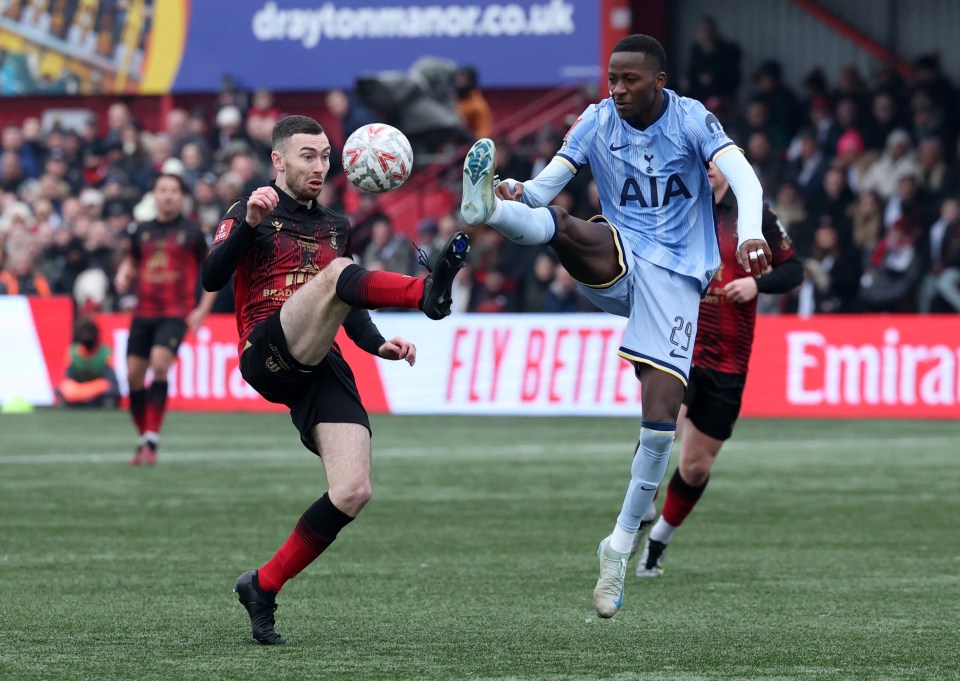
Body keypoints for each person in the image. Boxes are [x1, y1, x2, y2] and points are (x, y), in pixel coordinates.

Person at [459, 34, 771, 619]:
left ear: (658, 79)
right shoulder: (595, 123)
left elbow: (746, 180)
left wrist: (750, 230)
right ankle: (487, 211)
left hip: (679, 283)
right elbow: (547, 186)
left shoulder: (692, 121)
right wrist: (516, 192)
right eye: (612, 79)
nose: (618, 89)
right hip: (622, 254)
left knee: (659, 427)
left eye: (629, 80)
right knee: (568, 226)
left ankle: (620, 544)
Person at [200, 114, 469, 645]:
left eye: (325, 156)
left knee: (353, 490)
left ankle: (262, 585)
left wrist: (379, 346)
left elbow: (344, 302)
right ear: (278, 160)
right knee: (336, 272)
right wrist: (251, 222)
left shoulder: (335, 226)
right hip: (266, 351)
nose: (319, 165)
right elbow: (211, 278)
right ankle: (426, 294)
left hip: (319, 360)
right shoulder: (248, 211)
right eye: (308, 155)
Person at [632, 162, 802, 577]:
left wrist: (756, 284)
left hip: (729, 358)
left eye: (714, 161)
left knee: (695, 467)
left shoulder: (752, 213)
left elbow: (794, 269)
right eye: (700, 161)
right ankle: (639, 508)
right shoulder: (678, 206)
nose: (707, 168)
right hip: (680, 343)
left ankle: (659, 539)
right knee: (662, 427)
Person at [114, 173, 218, 466]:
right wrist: (125, 273)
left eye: (174, 190)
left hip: (175, 313)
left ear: (182, 196)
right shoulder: (141, 230)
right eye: (163, 190)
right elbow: (133, 260)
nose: (168, 195)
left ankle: (152, 439)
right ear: (154, 195)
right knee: (134, 378)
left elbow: (213, 271)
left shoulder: (193, 231)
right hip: (143, 313)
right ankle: (144, 439)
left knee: (160, 366)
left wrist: (202, 310)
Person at [55, 316, 120, 408]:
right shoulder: (72, 353)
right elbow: (69, 380)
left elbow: (111, 383)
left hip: (99, 391)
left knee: (108, 391)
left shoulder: (105, 353)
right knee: (66, 389)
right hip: (78, 390)